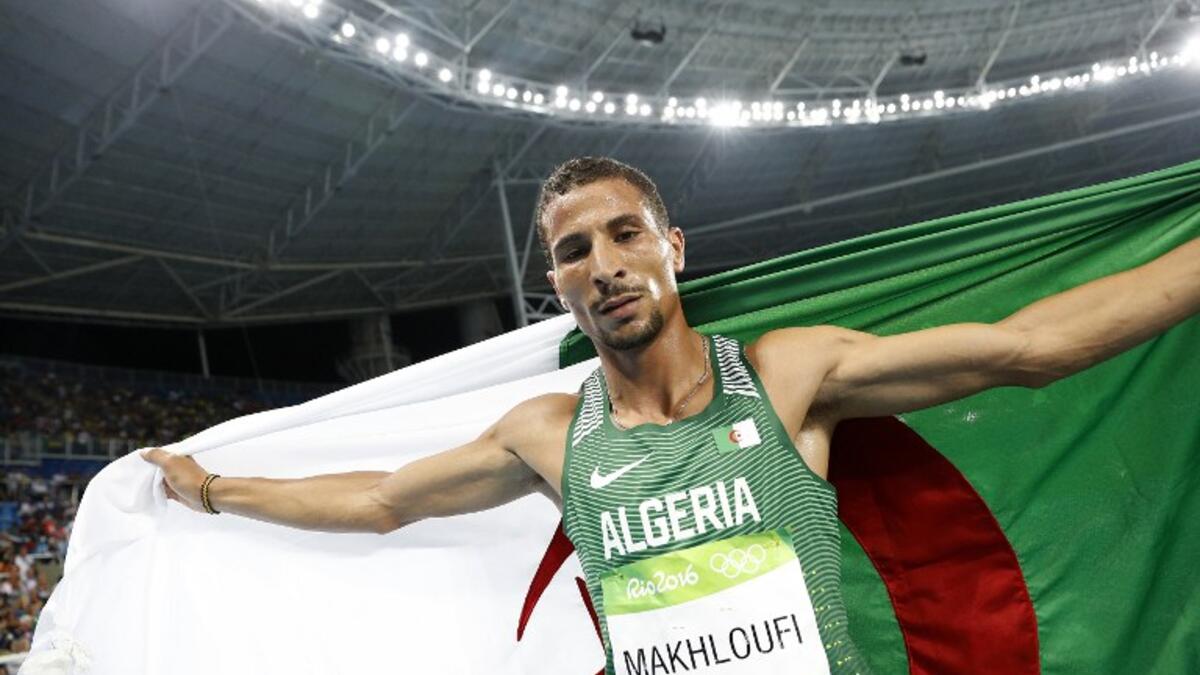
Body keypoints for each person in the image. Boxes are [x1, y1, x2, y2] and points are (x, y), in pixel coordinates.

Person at [142, 157, 1200, 675]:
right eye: (573, 252)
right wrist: (217, 491)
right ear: (553, 285)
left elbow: (1030, 350)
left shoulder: (787, 377)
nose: (604, 265)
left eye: (625, 234)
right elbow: (379, 499)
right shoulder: (549, 435)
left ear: (673, 248)